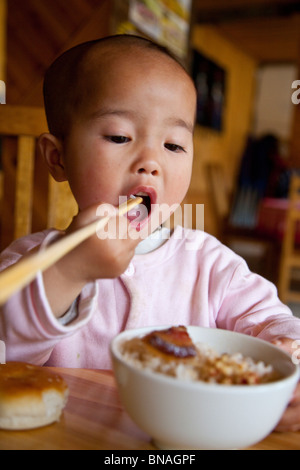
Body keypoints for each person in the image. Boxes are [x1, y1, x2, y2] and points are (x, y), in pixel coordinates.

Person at [0, 35, 299, 431]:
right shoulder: (33, 261)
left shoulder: (209, 264)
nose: (151, 163)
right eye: (120, 137)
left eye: (174, 145)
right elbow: (9, 350)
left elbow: (272, 321)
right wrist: (68, 272)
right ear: (58, 157)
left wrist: (289, 355)